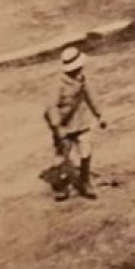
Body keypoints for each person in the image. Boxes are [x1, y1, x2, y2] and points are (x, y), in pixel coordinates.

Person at [43, 46, 106, 201]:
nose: (79, 70)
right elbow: (51, 107)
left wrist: (99, 115)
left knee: (86, 151)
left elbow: (91, 97)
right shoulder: (57, 83)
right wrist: (57, 127)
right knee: (61, 156)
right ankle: (61, 186)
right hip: (63, 125)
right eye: (77, 67)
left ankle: (85, 182)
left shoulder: (83, 79)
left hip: (81, 122)